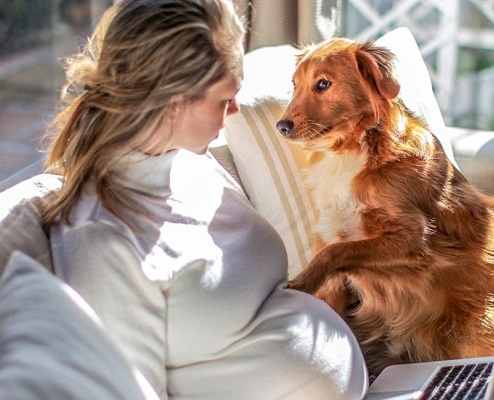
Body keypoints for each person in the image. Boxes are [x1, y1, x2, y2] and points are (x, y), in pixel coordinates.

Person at [41, 0, 369, 399]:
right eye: (223, 99)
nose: (234, 111)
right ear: (169, 97)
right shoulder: (106, 239)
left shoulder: (189, 163)